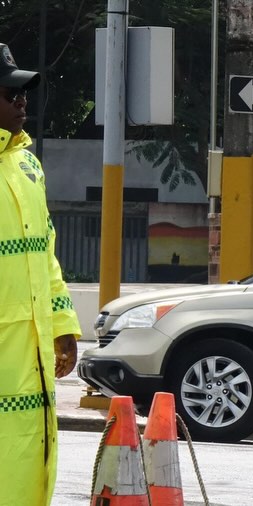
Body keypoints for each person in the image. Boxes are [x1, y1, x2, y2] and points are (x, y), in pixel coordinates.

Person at [0, 43, 81, 506]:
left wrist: (63, 326)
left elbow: (45, 253)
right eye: (10, 94)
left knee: (32, 460)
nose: (21, 103)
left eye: (23, 94)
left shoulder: (28, 165)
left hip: (30, 356)